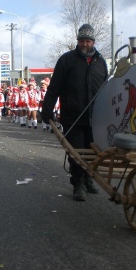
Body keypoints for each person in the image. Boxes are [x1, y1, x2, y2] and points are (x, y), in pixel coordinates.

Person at [42, 23, 108, 201]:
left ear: (93, 42)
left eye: (88, 41)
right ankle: (77, 183)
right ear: (77, 41)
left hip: (96, 118)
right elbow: (54, 88)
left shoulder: (101, 62)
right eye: (82, 41)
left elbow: (106, 90)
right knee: (77, 151)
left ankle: (88, 178)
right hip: (73, 115)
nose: (85, 44)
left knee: (93, 151)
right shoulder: (66, 60)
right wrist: (47, 110)